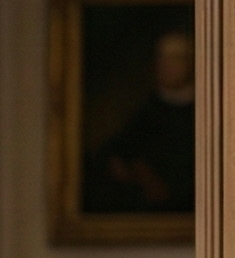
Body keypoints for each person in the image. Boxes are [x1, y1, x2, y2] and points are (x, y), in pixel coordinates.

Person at [83, 26, 197, 215]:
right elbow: (115, 155)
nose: (166, 65)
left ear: (192, 63)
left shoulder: (205, 113)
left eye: (176, 58)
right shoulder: (145, 113)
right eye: (162, 58)